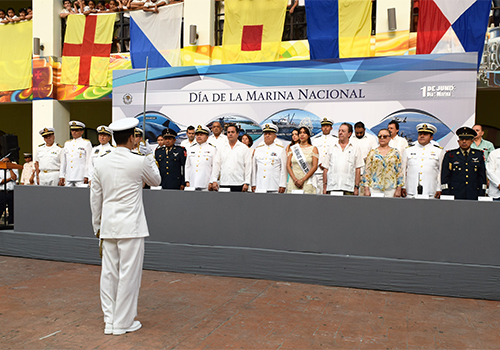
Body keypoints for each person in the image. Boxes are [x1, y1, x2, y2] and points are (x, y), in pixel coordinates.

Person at [90, 118, 161, 336]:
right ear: (132, 138)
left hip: (109, 224)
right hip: (131, 226)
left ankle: (110, 320)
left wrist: (97, 226)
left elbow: (95, 198)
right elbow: (156, 181)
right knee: (129, 274)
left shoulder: (100, 162)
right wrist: (148, 155)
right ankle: (123, 323)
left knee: (109, 273)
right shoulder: (139, 160)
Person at [441, 127, 487, 200]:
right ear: (458, 141)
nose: (464, 141)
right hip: (455, 193)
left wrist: (482, 192)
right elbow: (445, 176)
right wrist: (446, 193)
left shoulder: (478, 155)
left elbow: (482, 176)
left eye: (467, 139)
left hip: (473, 193)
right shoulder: (450, 155)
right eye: (462, 139)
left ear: (472, 141)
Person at [401, 123, 444, 198]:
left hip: (430, 190)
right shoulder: (408, 150)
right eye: (420, 134)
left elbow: (441, 171)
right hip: (411, 190)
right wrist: (403, 186)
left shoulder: (438, 151)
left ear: (431, 137)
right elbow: (403, 170)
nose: (422, 136)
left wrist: (439, 188)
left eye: (425, 134)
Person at [322, 123, 363, 195]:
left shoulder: (355, 148)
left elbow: (358, 169)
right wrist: (325, 185)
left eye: (343, 131)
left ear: (349, 134)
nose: (340, 133)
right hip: (332, 187)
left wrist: (356, 187)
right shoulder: (331, 147)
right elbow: (325, 168)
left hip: (349, 188)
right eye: (339, 131)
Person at [363, 128, 403, 197]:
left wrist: (399, 189)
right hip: (374, 187)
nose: (382, 138)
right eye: (379, 136)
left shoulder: (395, 153)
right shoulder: (372, 153)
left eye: (385, 136)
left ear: (390, 138)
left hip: (391, 188)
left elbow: (399, 172)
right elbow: (367, 171)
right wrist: (366, 188)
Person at [212, 124, 252, 192]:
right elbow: (217, 165)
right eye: (228, 132)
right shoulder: (221, 147)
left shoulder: (244, 148)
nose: (230, 134)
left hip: (239, 183)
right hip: (224, 182)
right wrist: (214, 180)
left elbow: (248, 166)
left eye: (232, 132)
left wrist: (247, 182)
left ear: (237, 134)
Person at [252, 124, 287, 193]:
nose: (267, 136)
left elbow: (284, 169)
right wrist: (253, 183)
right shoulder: (258, 149)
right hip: (260, 185)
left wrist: (282, 184)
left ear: (275, 136)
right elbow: (254, 168)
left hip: (274, 185)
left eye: (270, 134)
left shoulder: (280, 149)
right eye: (265, 134)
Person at [286, 126, 319, 194]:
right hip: (293, 180)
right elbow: (288, 165)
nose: (302, 135)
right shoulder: (293, 148)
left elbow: (314, 166)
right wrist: (295, 180)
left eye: (304, 133)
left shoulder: (313, 148)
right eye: (300, 133)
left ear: (308, 135)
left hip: (307, 181)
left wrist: (302, 180)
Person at [59, 121, 93, 187]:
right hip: (68, 175)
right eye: (72, 130)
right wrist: (62, 175)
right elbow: (64, 161)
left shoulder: (86, 143)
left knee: (80, 195)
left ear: (82, 132)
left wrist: (87, 175)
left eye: (76, 130)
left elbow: (89, 161)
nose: (74, 132)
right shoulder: (67, 143)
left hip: (80, 175)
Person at [185, 125, 217, 191]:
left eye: (201, 134)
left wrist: (212, 181)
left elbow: (214, 167)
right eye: (197, 135)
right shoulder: (191, 148)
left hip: (206, 182)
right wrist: (187, 180)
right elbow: (188, 166)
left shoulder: (212, 149)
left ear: (207, 137)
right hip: (193, 181)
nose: (199, 136)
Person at [312, 117, 336, 194]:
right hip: (318, 170)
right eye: (323, 126)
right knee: (318, 192)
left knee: (330, 192)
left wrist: (327, 165)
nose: (325, 128)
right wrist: (319, 164)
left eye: (327, 126)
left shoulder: (336, 140)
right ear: (321, 128)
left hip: (330, 170)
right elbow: (313, 155)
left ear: (331, 128)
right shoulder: (315, 140)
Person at [0, 155, 18, 225]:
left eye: (8, 161)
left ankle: (11, 224)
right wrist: (9, 179)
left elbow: (15, 177)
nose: (6, 163)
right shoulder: (0, 170)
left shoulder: (14, 169)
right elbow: (1, 181)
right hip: (2, 192)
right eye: (4, 162)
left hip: (11, 192)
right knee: (1, 208)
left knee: (12, 209)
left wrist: (10, 169)